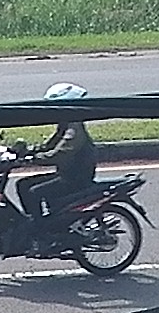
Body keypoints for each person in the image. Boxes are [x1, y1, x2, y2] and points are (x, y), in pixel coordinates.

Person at [15, 83, 99, 252]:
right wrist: (26, 151)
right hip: (66, 175)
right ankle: (37, 224)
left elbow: (59, 154)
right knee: (23, 184)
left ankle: (42, 234)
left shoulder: (74, 129)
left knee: (34, 192)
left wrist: (34, 160)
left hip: (75, 179)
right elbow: (49, 146)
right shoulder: (65, 125)